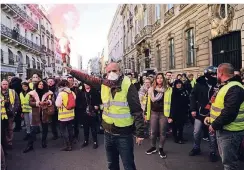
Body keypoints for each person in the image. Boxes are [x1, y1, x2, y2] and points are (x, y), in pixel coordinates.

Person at [66, 62, 144, 170]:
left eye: (114, 71)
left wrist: (140, 133)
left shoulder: (128, 85)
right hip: (108, 133)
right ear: (106, 73)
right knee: (112, 164)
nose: (112, 73)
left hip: (124, 134)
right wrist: (72, 71)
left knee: (129, 165)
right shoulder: (103, 83)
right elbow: (87, 78)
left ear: (120, 72)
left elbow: (137, 110)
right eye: (109, 71)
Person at [205, 63, 244, 170]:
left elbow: (229, 112)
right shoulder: (226, 86)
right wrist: (210, 117)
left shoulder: (234, 87)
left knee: (229, 164)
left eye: (216, 73)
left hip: (231, 132)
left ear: (221, 73)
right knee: (227, 161)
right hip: (225, 129)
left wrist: (214, 125)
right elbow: (219, 106)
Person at [189, 66, 218, 162]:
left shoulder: (218, 84)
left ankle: (213, 152)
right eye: (213, 74)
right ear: (208, 75)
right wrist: (193, 109)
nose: (215, 76)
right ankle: (196, 147)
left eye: (215, 74)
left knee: (212, 134)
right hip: (200, 112)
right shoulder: (199, 84)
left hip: (213, 113)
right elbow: (192, 96)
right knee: (196, 132)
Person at [145, 73, 173, 159]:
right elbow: (147, 102)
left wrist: (171, 116)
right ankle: (153, 147)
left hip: (164, 114)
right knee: (153, 132)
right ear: (155, 80)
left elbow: (172, 103)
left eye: (161, 78)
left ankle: (161, 148)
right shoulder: (151, 90)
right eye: (158, 78)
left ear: (163, 79)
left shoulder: (168, 89)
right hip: (153, 113)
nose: (159, 80)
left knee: (163, 132)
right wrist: (146, 113)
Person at [23, 80, 55, 153]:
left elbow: (52, 101)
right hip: (36, 113)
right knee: (33, 130)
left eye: (42, 84)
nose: (41, 85)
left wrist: (48, 102)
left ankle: (44, 142)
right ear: (37, 85)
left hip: (45, 113)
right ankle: (30, 145)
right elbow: (30, 103)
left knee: (45, 129)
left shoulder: (48, 93)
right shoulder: (33, 93)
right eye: (39, 84)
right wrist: (37, 103)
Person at [56, 79, 76, 151]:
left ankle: (68, 145)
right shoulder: (72, 92)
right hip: (71, 114)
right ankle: (71, 142)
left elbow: (57, 104)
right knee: (70, 129)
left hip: (63, 116)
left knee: (63, 131)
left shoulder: (61, 93)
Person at [1, 80, 19, 153]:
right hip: (2, 114)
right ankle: (3, 142)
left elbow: (17, 102)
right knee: (2, 129)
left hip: (10, 113)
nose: (5, 85)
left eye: (6, 84)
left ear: (8, 85)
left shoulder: (12, 92)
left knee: (10, 128)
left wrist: (14, 110)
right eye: (3, 84)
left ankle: (9, 142)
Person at [80, 83, 100, 149]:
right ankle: (86, 141)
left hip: (93, 112)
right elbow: (78, 102)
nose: (86, 85)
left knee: (93, 128)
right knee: (86, 128)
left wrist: (97, 106)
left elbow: (99, 100)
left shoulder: (95, 92)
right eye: (85, 84)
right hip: (84, 113)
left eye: (88, 84)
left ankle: (95, 142)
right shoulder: (81, 92)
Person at [170, 79, 189, 144]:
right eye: (177, 84)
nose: (178, 85)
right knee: (175, 126)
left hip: (183, 111)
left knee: (181, 126)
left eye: (179, 83)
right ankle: (176, 138)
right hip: (175, 111)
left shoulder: (184, 91)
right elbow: (173, 103)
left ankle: (181, 137)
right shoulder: (174, 91)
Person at [67, 76, 80, 142]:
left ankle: (76, 135)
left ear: (73, 81)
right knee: (69, 123)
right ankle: (70, 136)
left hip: (75, 108)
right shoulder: (65, 89)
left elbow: (78, 98)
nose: (70, 81)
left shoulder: (76, 89)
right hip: (68, 108)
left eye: (71, 80)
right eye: (68, 80)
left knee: (75, 123)